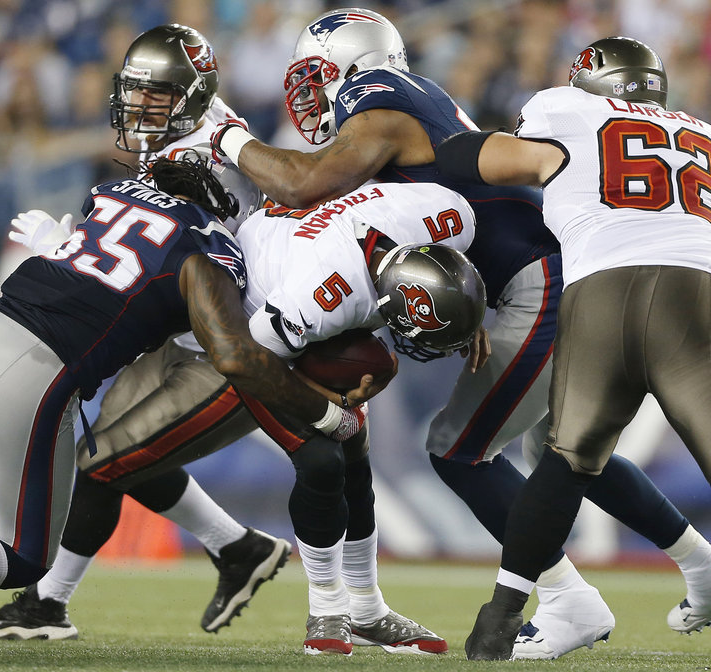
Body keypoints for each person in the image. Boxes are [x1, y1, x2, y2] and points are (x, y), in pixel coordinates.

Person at [210, 8, 711, 659]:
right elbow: (443, 202)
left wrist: (226, 139)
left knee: (458, 449)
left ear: (352, 68)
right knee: (556, 444)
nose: (310, 95)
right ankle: (698, 566)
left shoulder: (383, 96)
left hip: (543, 280)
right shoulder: (417, 104)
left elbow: (307, 182)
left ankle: (566, 599)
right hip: (529, 276)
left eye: (318, 77)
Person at [0, 155, 376, 615]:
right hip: (31, 368)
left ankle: (231, 544)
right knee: (23, 557)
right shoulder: (209, 252)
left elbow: (106, 271)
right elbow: (233, 354)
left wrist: (59, 244)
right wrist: (327, 413)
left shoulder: (113, 197)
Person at [0, 24, 287, 641]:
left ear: (193, 95)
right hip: (175, 320)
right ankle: (235, 548)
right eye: (132, 92)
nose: (137, 107)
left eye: (154, 95)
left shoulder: (218, 140)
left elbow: (236, 223)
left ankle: (47, 604)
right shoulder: (166, 142)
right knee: (114, 454)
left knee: (105, 460)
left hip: (230, 330)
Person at [433, 36, 711, 660]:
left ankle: (500, 619)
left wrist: (468, 142)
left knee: (567, 456)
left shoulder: (568, 108)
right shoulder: (702, 130)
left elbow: (478, 161)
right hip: (700, 292)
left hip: (607, 285)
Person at [233, 179, 485, 655]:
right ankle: (327, 606)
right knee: (323, 460)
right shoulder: (323, 298)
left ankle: (368, 611)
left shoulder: (452, 216)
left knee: (356, 460)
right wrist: (330, 409)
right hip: (256, 322)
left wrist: (465, 312)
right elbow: (249, 360)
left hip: (315, 254)